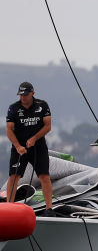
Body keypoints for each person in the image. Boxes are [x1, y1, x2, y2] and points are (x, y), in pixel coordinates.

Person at [6, 82, 53, 211]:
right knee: (14, 176)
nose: (23, 98)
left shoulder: (42, 105)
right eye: (21, 95)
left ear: (32, 93)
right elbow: (9, 130)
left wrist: (34, 138)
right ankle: (9, 206)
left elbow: (48, 126)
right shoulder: (13, 108)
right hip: (19, 148)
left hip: (38, 147)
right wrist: (17, 146)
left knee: (44, 176)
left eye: (25, 95)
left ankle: (49, 208)